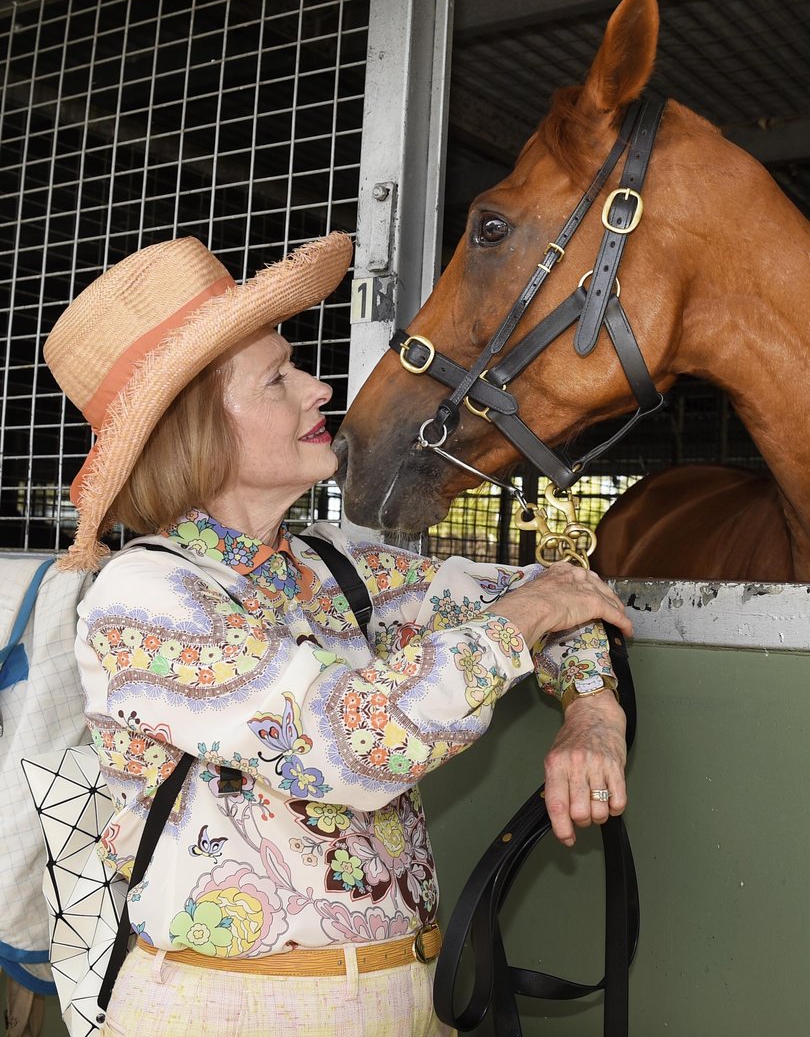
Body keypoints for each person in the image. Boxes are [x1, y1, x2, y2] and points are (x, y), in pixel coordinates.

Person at [44, 232, 632, 1037]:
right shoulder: (146, 599)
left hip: (409, 994)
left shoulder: (338, 566)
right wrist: (526, 621)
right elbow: (355, 748)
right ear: (195, 426)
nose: (320, 389)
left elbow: (553, 596)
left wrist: (592, 711)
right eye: (278, 378)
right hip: (234, 1009)